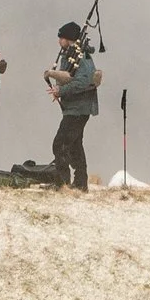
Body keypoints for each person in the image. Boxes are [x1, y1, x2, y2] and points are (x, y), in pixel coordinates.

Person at [44, 19, 99, 189]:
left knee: (59, 144)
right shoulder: (71, 55)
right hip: (74, 108)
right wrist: (59, 89)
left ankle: (62, 184)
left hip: (79, 109)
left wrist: (61, 91)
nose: (59, 41)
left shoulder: (81, 57)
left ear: (68, 39)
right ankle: (80, 184)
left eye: (61, 38)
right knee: (75, 145)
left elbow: (84, 81)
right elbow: (69, 77)